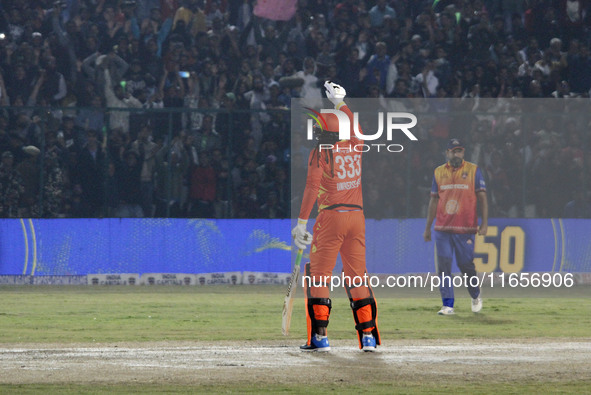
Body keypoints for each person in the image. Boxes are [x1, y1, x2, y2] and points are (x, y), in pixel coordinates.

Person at [292, 81, 380, 352]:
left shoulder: (320, 153)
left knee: (319, 276)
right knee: (357, 278)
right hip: (357, 218)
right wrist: (340, 103)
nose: (316, 130)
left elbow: (310, 189)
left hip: (330, 219)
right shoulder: (355, 145)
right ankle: (368, 339)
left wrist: (301, 223)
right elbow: (355, 127)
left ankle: (320, 338)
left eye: (319, 126)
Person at [423, 139, 488, 315]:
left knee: (466, 265)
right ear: (447, 153)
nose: (456, 154)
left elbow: (482, 198)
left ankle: (475, 295)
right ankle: (448, 305)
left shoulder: (474, 171)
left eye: (459, 151)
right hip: (443, 228)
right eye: (453, 151)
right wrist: (428, 227)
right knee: (444, 265)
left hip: (465, 228)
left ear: (463, 153)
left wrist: (484, 224)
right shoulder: (438, 172)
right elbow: (433, 200)